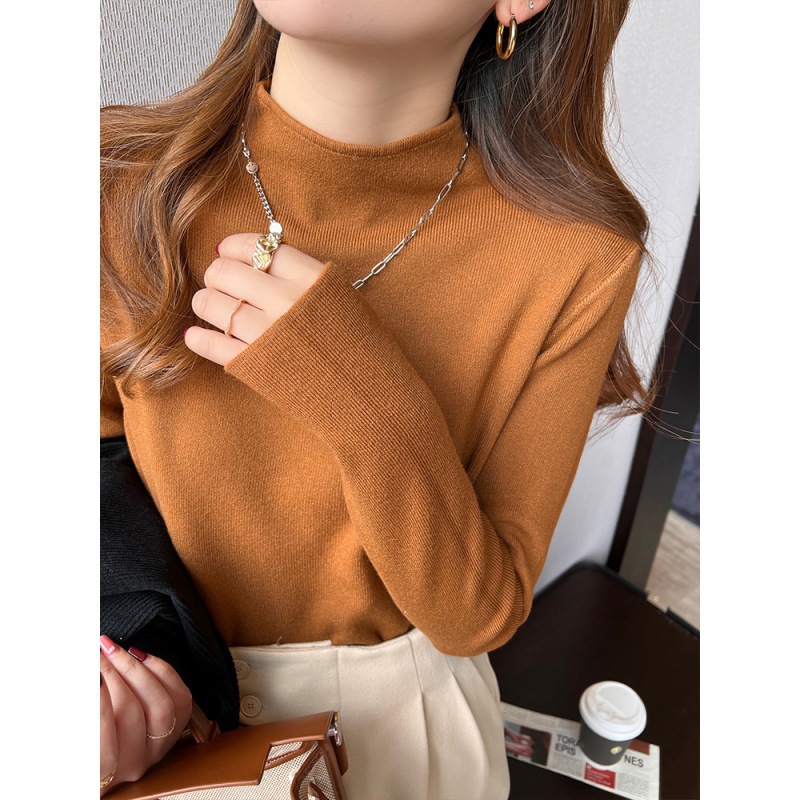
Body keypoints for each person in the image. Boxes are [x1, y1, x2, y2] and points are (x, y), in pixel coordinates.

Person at [99, 0, 656, 797]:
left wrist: (364, 398)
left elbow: (479, 615)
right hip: (155, 724)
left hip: (406, 747)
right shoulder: (115, 182)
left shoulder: (579, 258)